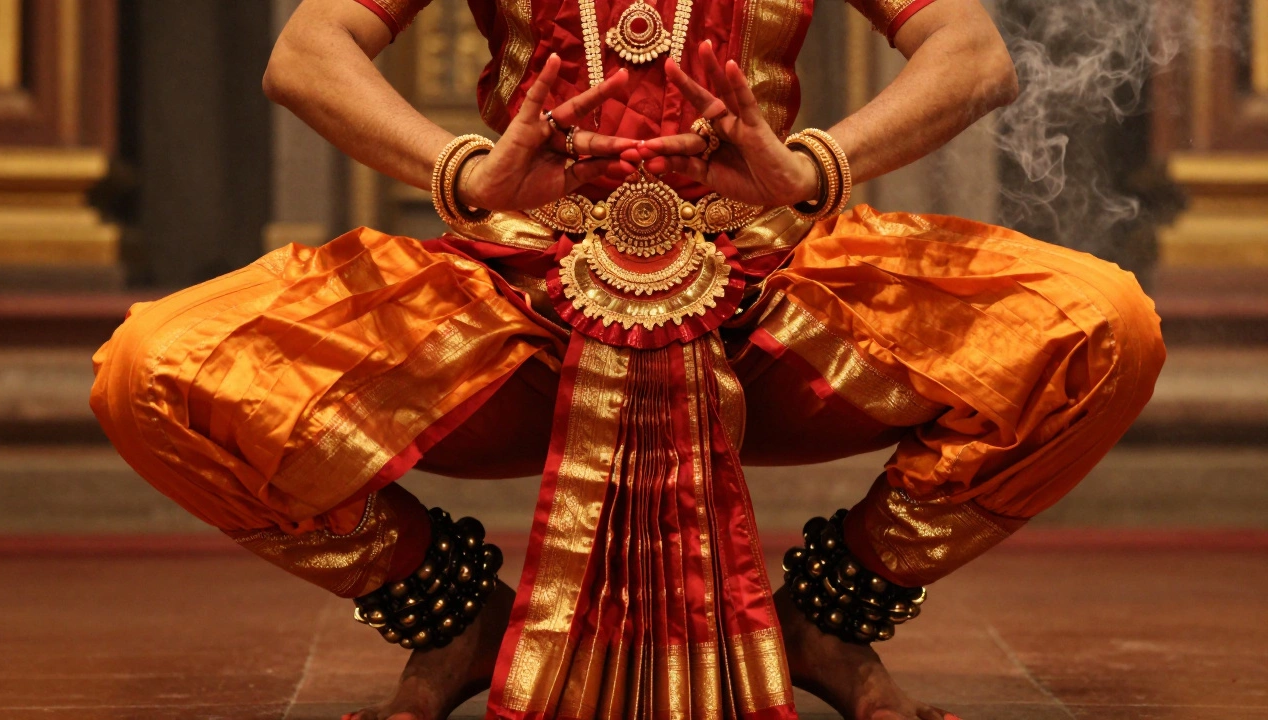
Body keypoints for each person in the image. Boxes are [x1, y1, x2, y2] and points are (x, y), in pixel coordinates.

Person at [89, 0, 1166, 717]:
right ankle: (451, 617)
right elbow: (304, 51)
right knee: (153, 371)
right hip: (514, 307)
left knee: (1100, 328)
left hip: (773, 302)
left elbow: (970, 55)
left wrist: (810, 169)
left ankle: (832, 618)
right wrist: (461, 171)